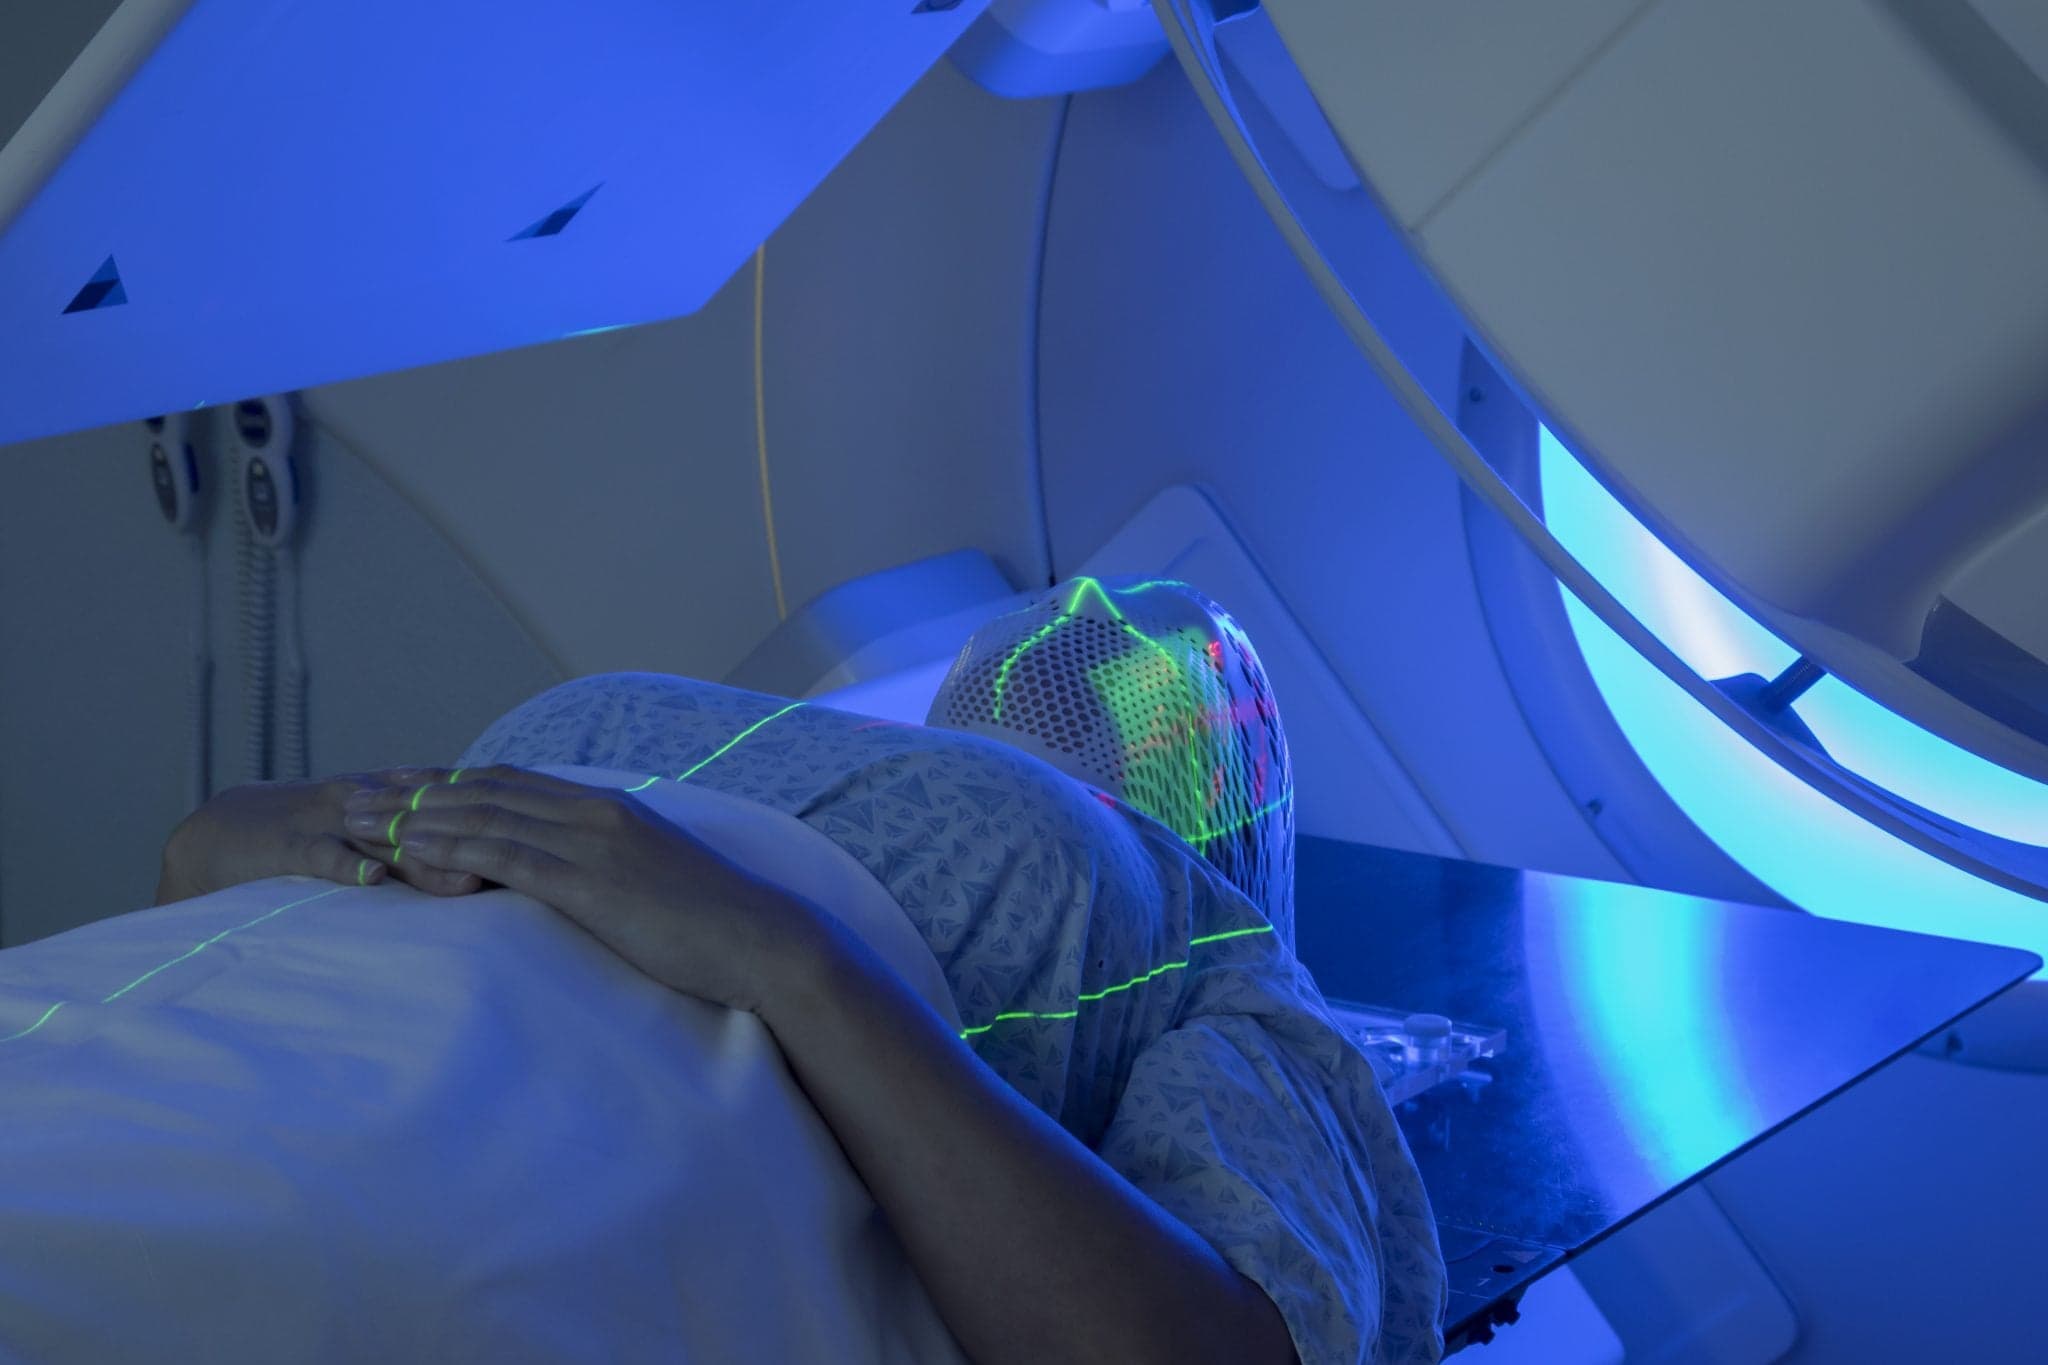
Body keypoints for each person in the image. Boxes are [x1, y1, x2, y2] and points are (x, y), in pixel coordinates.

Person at [156, 576, 1447, 1365]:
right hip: (342, 1012)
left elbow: (194, 854)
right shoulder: (1188, 934)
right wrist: (789, 955)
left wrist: (787, 957)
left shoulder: (1197, 964)